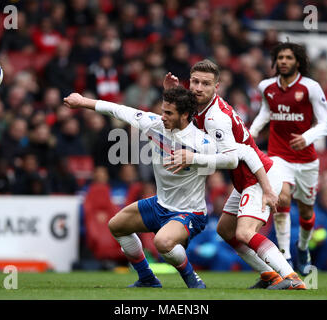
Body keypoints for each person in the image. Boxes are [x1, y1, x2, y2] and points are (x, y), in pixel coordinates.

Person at [63, 86, 270, 289]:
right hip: (160, 204)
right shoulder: (154, 124)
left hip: (190, 212)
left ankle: (192, 279)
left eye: (169, 113)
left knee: (163, 243)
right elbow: (119, 110)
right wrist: (82, 102)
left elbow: (232, 160)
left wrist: (195, 159)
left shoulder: (203, 141)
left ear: (185, 115)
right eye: (163, 110)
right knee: (117, 226)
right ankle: (147, 278)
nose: (163, 116)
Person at [164, 59, 306, 289]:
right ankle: (269, 275)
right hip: (246, 180)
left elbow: (234, 157)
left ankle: (291, 277)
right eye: (195, 82)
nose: (199, 88)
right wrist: (171, 93)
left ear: (216, 87)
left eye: (206, 84)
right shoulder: (199, 108)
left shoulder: (215, 118)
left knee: (245, 232)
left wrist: (194, 159)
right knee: (225, 229)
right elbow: (176, 120)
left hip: (259, 176)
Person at [249, 42, 327, 276]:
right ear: (275, 61)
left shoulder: (311, 87)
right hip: (278, 154)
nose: (284, 61)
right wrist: (252, 131)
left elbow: (326, 123)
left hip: (306, 160)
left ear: (298, 61)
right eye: (280, 57)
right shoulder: (266, 86)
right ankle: (285, 255)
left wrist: (306, 137)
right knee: (282, 197)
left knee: (306, 211)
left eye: (289, 57)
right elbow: (267, 111)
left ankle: (303, 248)